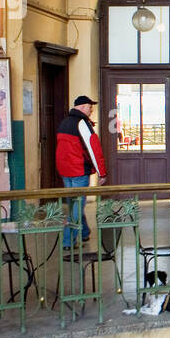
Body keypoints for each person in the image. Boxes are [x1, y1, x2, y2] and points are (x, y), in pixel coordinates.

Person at [56, 95, 107, 250]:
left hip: (65, 171)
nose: (91, 110)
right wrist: (102, 173)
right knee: (77, 206)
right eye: (90, 107)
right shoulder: (82, 124)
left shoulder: (64, 122)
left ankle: (84, 232)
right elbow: (93, 150)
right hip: (78, 170)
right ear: (83, 106)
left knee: (75, 203)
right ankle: (68, 241)